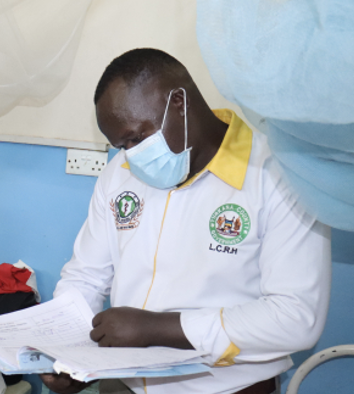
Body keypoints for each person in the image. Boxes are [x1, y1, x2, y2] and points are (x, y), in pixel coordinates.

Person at [42, 48, 331, 394]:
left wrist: (159, 328)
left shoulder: (279, 175)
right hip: (125, 384)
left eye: (136, 137)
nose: (131, 155)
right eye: (121, 145)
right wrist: (68, 354)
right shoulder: (120, 172)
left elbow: (296, 318)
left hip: (226, 389)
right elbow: (86, 276)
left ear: (179, 103)